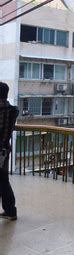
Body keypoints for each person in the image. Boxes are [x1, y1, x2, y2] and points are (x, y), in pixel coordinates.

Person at [0, 82, 19, 221]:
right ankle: (10, 210)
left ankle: (10, 211)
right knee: (3, 180)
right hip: (4, 149)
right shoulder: (13, 110)